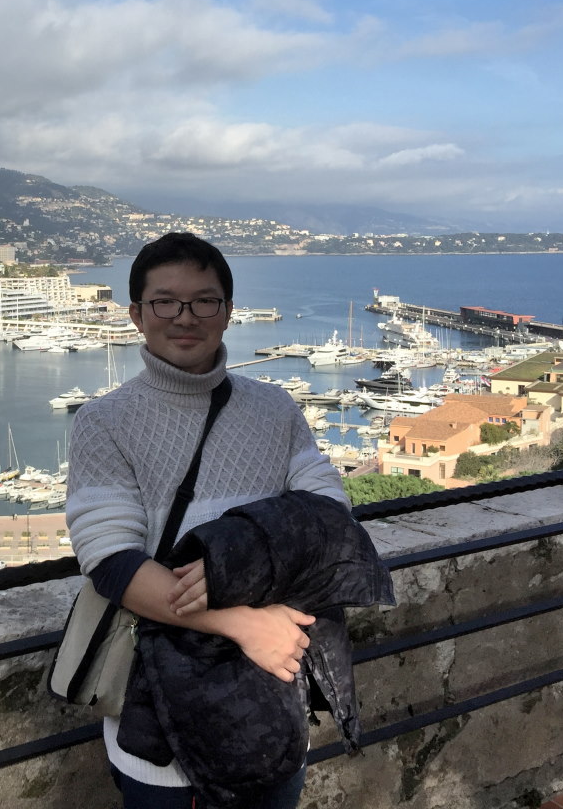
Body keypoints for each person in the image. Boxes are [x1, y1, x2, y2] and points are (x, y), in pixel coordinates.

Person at [66, 232, 352, 808]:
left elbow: (330, 513)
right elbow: (112, 562)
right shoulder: (103, 422)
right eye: (165, 302)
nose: (185, 316)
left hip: (272, 717)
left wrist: (231, 561)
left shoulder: (275, 408)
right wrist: (245, 623)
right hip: (163, 734)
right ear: (137, 315)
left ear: (227, 311)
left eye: (204, 301)